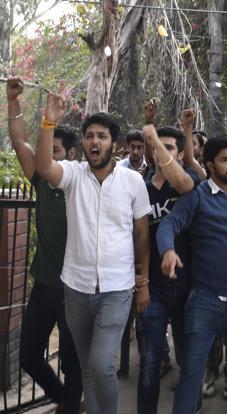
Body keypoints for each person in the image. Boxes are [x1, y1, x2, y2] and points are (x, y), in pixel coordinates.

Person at [34, 89, 151, 414]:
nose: (94, 141)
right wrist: (49, 121)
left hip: (116, 290)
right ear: (84, 144)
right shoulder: (73, 176)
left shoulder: (132, 182)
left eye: (101, 136)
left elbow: (142, 236)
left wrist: (143, 283)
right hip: (76, 289)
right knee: (87, 369)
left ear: (115, 144)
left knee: (101, 366)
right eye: (89, 136)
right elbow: (44, 166)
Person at [157, 136, 227, 414]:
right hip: (204, 298)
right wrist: (167, 250)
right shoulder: (196, 196)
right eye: (224, 160)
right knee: (192, 367)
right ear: (209, 165)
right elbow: (169, 224)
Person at [6, 77, 83, 414]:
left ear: (71, 156)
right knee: (27, 356)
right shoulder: (39, 179)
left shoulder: (80, 184)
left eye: (54, 152)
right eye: (45, 152)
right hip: (44, 285)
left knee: (74, 362)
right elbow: (20, 139)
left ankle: (70, 405)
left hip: (75, 289)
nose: (46, 158)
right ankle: (64, 398)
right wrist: (12, 100)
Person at [136, 125, 201, 413]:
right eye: (157, 146)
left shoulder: (190, 183)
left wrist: (156, 139)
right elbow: (140, 241)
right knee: (149, 362)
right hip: (154, 290)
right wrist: (142, 284)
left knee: (189, 360)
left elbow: (183, 181)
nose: (162, 151)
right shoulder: (140, 188)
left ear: (180, 154)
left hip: (188, 289)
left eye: (170, 147)